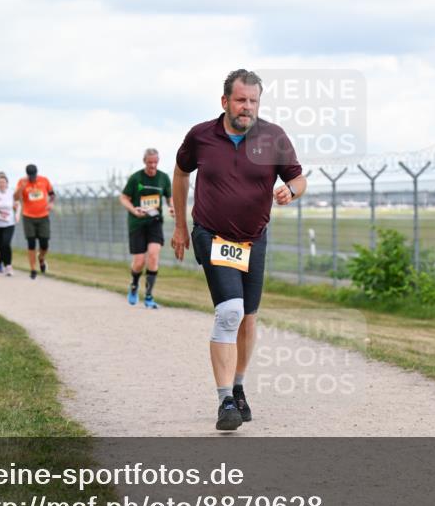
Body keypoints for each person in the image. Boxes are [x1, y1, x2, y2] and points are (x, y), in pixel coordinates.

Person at [171, 69, 307, 431]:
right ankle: (225, 401)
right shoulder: (201, 136)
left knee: (248, 318)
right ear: (225, 101)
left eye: (253, 101)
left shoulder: (273, 137)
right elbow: (181, 174)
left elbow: (298, 177)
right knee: (230, 311)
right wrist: (182, 226)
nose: (247, 107)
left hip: (253, 238)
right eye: (240, 100)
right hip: (211, 235)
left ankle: (238, 385)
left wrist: (290, 191)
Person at [121, 148, 173, 309]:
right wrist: (133, 210)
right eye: (150, 162)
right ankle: (134, 285)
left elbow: (169, 197)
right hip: (137, 223)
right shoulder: (136, 178)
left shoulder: (163, 178)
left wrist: (172, 207)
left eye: (155, 162)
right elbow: (123, 198)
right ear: (145, 161)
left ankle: (149, 296)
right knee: (139, 261)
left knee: (153, 256)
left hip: (155, 222)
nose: (153, 166)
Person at [14, 164, 54, 280]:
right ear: (27, 174)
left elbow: (52, 194)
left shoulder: (44, 180)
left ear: (37, 173)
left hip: (43, 216)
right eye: (31, 176)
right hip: (28, 217)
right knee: (31, 243)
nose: (33, 178)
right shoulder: (22, 182)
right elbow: (15, 198)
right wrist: (21, 187)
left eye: (34, 175)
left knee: (44, 243)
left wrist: (51, 203)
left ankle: (41, 258)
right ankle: (33, 269)